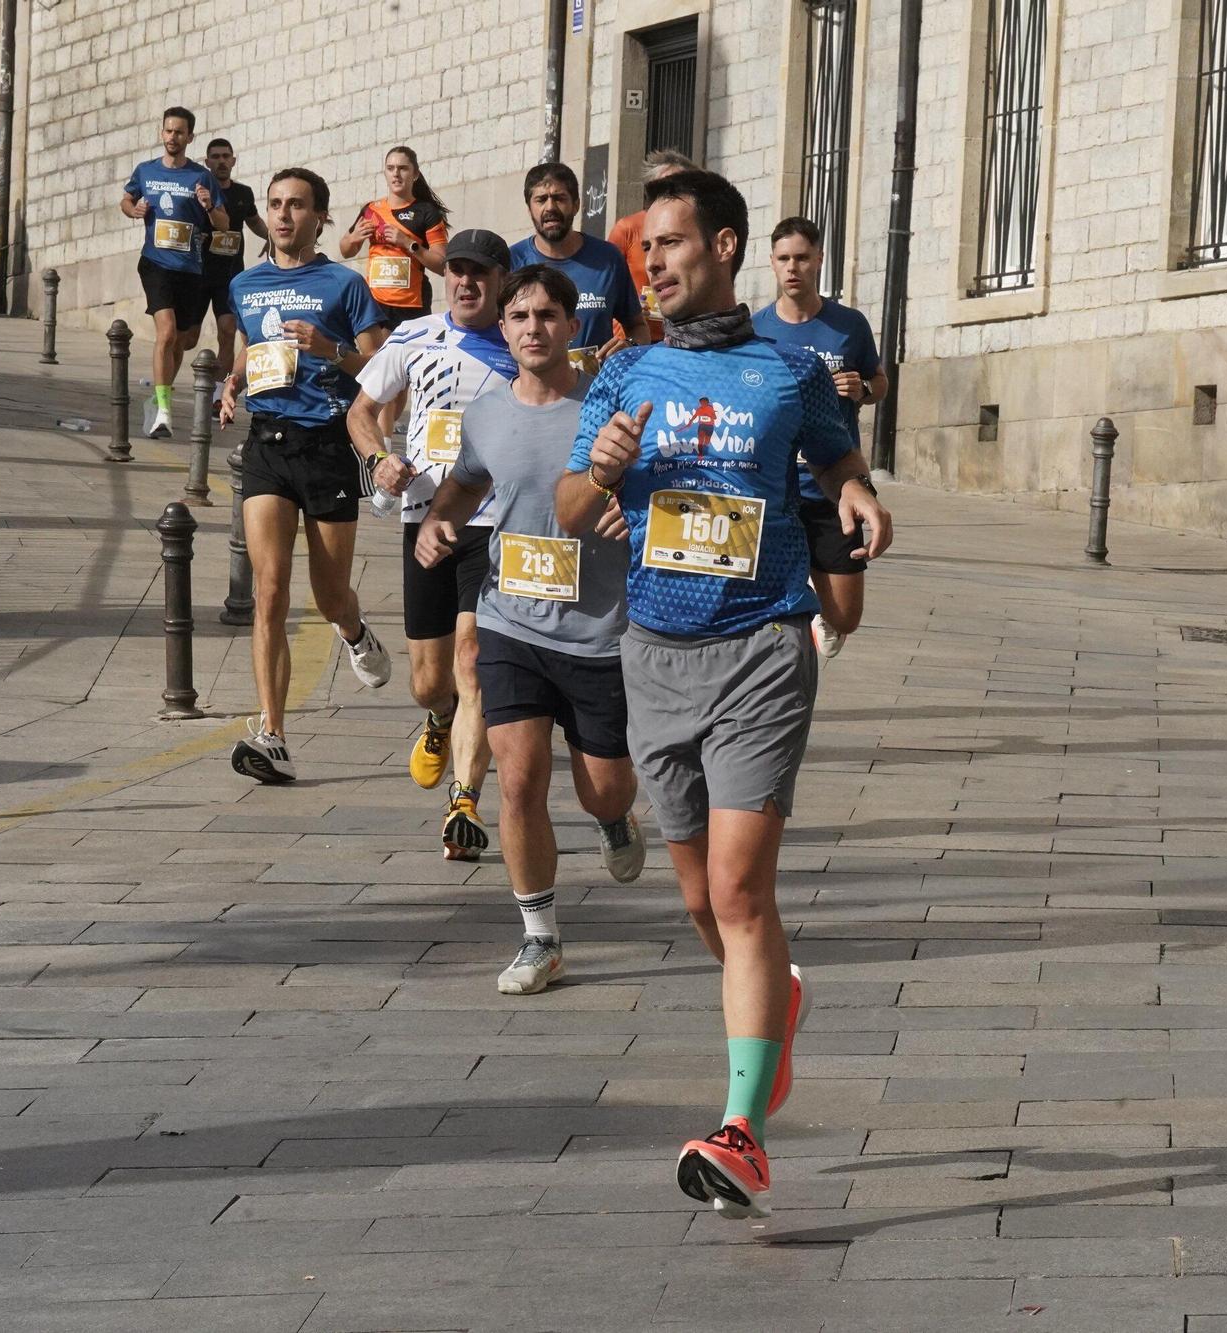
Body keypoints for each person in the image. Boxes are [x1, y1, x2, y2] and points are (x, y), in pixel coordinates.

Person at [555, 169, 892, 1219]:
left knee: (742, 892)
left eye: (670, 245)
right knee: (700, 899)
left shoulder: (786, 371)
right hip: (654, 653)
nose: (651, 264)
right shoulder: (624, 372)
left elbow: (837, 460)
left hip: (759, 646)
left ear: (727, 246)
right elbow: (567, 504)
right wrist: (600, 472)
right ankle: (772, 1002)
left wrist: (853, 495)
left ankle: (741, 1129)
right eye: (643, 250)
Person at [413, 264, 647, 993]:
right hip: (510, 620)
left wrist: (629, 509)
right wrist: (438, 519)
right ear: (504, 328)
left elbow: (656, 483)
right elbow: (468, 478)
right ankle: (539, 937)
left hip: (598, 632)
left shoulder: (605, 410)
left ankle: (613, 819)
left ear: (571, 327)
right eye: (519, 317)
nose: (532, 328)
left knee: (602, 788)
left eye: (547, 315)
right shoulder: (485, 412)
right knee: (517, 780)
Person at [218, 167, 394, 783]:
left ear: (321, 217)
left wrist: (330, 350)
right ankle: (273, 734)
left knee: (327, 594)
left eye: (297, 205)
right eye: (275, 204)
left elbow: (381, 366)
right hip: (267, 442)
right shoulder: (247, 282)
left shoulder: (345, 285)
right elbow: (249, 344)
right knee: (269, 590)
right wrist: (234, 381)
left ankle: (352, 629)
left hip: (327, 445)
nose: (284, 215)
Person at [347, 230, 517, 861]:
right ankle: (437, 718)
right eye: (458, 271)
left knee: (472, 660)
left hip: (496, 520)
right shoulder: (414, 336)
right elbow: (361, 410)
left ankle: (464, 803)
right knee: (428, 681)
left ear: (502, 280)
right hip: (426, 518)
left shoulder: (522, 341)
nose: (466, 282)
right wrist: (378, 460)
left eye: (480, 273)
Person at [751, 216, 889, 661]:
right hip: (777, 488)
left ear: (819, 261)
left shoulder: (848, 324)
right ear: (772, 264)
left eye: (802, 258)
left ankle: (817, 598)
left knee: (846, 616)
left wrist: (863, 389)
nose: (793, 268)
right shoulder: (755, 331)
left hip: (833, 486)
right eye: (784, 259)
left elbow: (880, 381)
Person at [119, 106, 228, 441]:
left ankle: (157, 397)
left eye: (179, 132)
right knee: (166, 333)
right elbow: (125, 200)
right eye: (168, 131)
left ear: (189, 137)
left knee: (184, 340)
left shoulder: (201, 177)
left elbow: (223, 223)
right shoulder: (146, 170)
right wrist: (134, 210)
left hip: (190, 268)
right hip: (155, 263)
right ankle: (164, 408)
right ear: (161, 133)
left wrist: (209, 205)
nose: (172, 137)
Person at [508, 162, 648, 372]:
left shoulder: (608, 258)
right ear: (530, 209)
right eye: (541, 199)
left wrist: (630, 347)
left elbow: (638, 327)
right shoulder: (513, 261)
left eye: (559, 198)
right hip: (534, 394)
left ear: (576, 205)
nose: (550, 208)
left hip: (596, 394)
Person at [338, 145, 449, 332]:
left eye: (403, 168)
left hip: (410, 305)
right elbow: (345, 251)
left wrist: (408, 244)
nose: (396, 174)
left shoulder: (426, 212)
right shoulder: (371, 210)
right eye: (390, 168)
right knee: (376, 358)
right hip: (375, 302)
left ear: (415, 174)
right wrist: (353, 238)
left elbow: (442, 265)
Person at [200, 137, 265, 413]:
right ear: (207, 163)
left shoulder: (243, 193)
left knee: (227, 332)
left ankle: (217, 395)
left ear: (234, 161)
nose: (221, 161)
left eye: (226, 156)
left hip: (230, 275)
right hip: (198, 273)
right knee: (188, 338)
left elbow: (254, 221)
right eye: (215, 157)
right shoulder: (200, 193)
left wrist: (273, 239)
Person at [606, 148, 695, 342]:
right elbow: (606, 286)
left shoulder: (697, 231)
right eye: (665, 186)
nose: (672, 192)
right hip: (633, 341)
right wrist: (631, 306)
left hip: (682, 338)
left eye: (680, 186)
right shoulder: (627, 228)